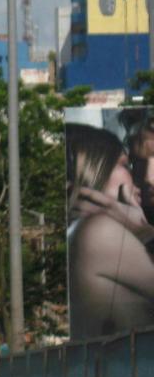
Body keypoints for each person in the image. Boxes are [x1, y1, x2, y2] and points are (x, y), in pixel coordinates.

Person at [66, 123, 154, 339]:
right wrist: (144, 232)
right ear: (92, 169)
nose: (145, 179)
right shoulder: (100, 230)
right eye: (129, 165)